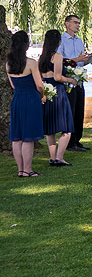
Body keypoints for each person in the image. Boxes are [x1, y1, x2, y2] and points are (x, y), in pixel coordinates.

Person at [7, 30, 47, 177]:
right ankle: (28, 169)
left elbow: (13, 86)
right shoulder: (31, 63)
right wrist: (43, 96)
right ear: (26, 45)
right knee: (28, 136)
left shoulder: (8, 64)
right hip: (30, 99)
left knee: (17, 137)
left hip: (17, 99)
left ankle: (20, 170)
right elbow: (39, 85)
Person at [39, 29, 77, 167]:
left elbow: (41, 77)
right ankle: (60, 158)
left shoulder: (41, 58)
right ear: (58, 41)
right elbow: (57, 77)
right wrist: (71, 80)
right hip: (58, 92)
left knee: (50, 128)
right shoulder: (58, 56)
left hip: (47, 93)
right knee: (66, 127)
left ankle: (52, 157)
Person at [57, 14, 90, 152]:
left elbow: (80, 60)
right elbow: (60, 60)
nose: (77, 25)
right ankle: (70, 141)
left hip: (79, 79)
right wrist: (76, 59)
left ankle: (77, 139)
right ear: (67, 24)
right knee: (70, 109)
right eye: (75, 22)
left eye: (78, 23)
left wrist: (87, 59)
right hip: (68, 79)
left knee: (79, 109)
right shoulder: (61, 40)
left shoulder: (79, 41)